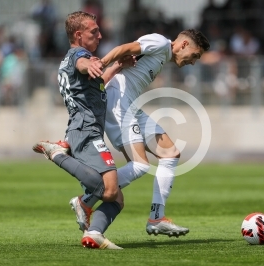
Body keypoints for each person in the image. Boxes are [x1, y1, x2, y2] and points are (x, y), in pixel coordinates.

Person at [66, 29, 210, 237]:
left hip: (130, 105)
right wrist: (102, 63)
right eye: (195, 56)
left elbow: (127, 60)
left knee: (170, 154)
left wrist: (116, 66)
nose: (193, 62)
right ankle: (85, 200)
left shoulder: (161, 54)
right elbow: (123, 48)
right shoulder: (160, 43)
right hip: (118, 104)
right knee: (141, 165)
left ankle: (156, 218)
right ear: (184, 45)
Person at [32, 11, 134, 250]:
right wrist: (96, 62)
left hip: (83, 130)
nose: (99, 35)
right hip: (85, 130)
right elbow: (84, 64)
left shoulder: (69, 60)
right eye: (93, 32)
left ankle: (95, 232)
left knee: (116, 198)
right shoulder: (79, 55)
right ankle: (57, 155)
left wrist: (118, 65)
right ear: (78, 35)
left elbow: (96, 82)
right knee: (109, 189)